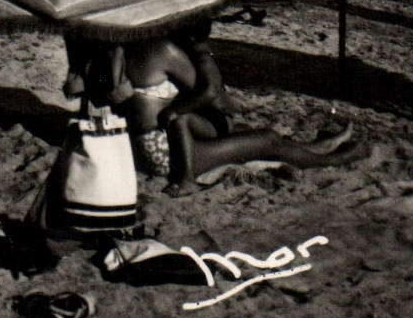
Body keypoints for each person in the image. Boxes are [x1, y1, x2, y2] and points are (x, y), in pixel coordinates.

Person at [121, 20, 362, 192]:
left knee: (246, 137)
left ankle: (317, 146)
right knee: (266, 139)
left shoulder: (128, 47)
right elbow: (214, 96)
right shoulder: (165, 50)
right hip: (167, 153)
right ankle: (331, 161)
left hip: (146, 147)